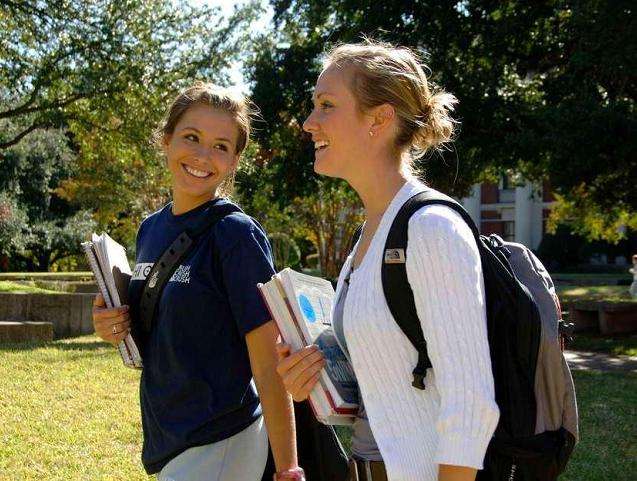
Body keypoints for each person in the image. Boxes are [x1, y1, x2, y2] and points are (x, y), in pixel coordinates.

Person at [276, 41, 500, 481]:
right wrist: (314, 377)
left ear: (379, 118)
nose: (309, 122)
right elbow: (389, 382)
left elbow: (470, 403)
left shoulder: (431, 229)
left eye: (326, 105)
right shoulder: (370, 233)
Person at [92, 82, 304, 481]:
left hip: (222, 435)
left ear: (235, 160)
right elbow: (160, 331)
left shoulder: (236, 235)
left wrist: (288, 469)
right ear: (167, 139)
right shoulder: (150, 229)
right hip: (167, 435)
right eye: (191, 137)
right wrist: (110, 324)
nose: (203, 156)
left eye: (221, 146)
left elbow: (268, 360)